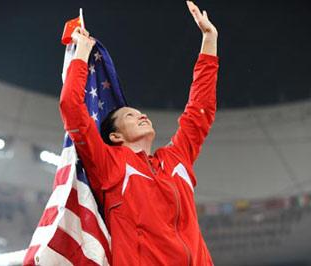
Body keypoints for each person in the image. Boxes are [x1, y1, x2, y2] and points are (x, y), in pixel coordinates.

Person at [59, 1, 219, 265]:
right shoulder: (109, 165)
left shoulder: (175, 159)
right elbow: (71, 108)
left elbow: (199, 109)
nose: (142, 115)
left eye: (140, 112)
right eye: (130, 115)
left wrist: (209, 40)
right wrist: (82, 54)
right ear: (115, 136)